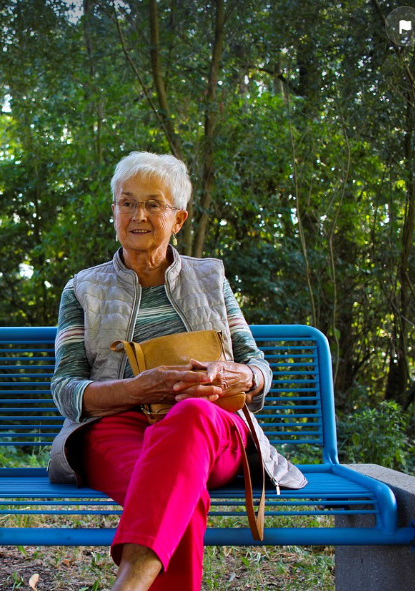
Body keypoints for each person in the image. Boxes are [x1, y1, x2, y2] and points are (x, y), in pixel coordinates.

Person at [47, 152, 307, 591]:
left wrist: (237, 377)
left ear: (179, 218)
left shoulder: (211, 280)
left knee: (190, 419)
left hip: (210, 424)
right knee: (175, 494)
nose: (137, 215)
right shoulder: (83, 288)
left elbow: (258, 365)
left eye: (153, 204)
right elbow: (65, 387)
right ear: (113, 210)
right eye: (126, 202)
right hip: (116, 425)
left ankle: (128, 584)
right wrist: (135, 388)